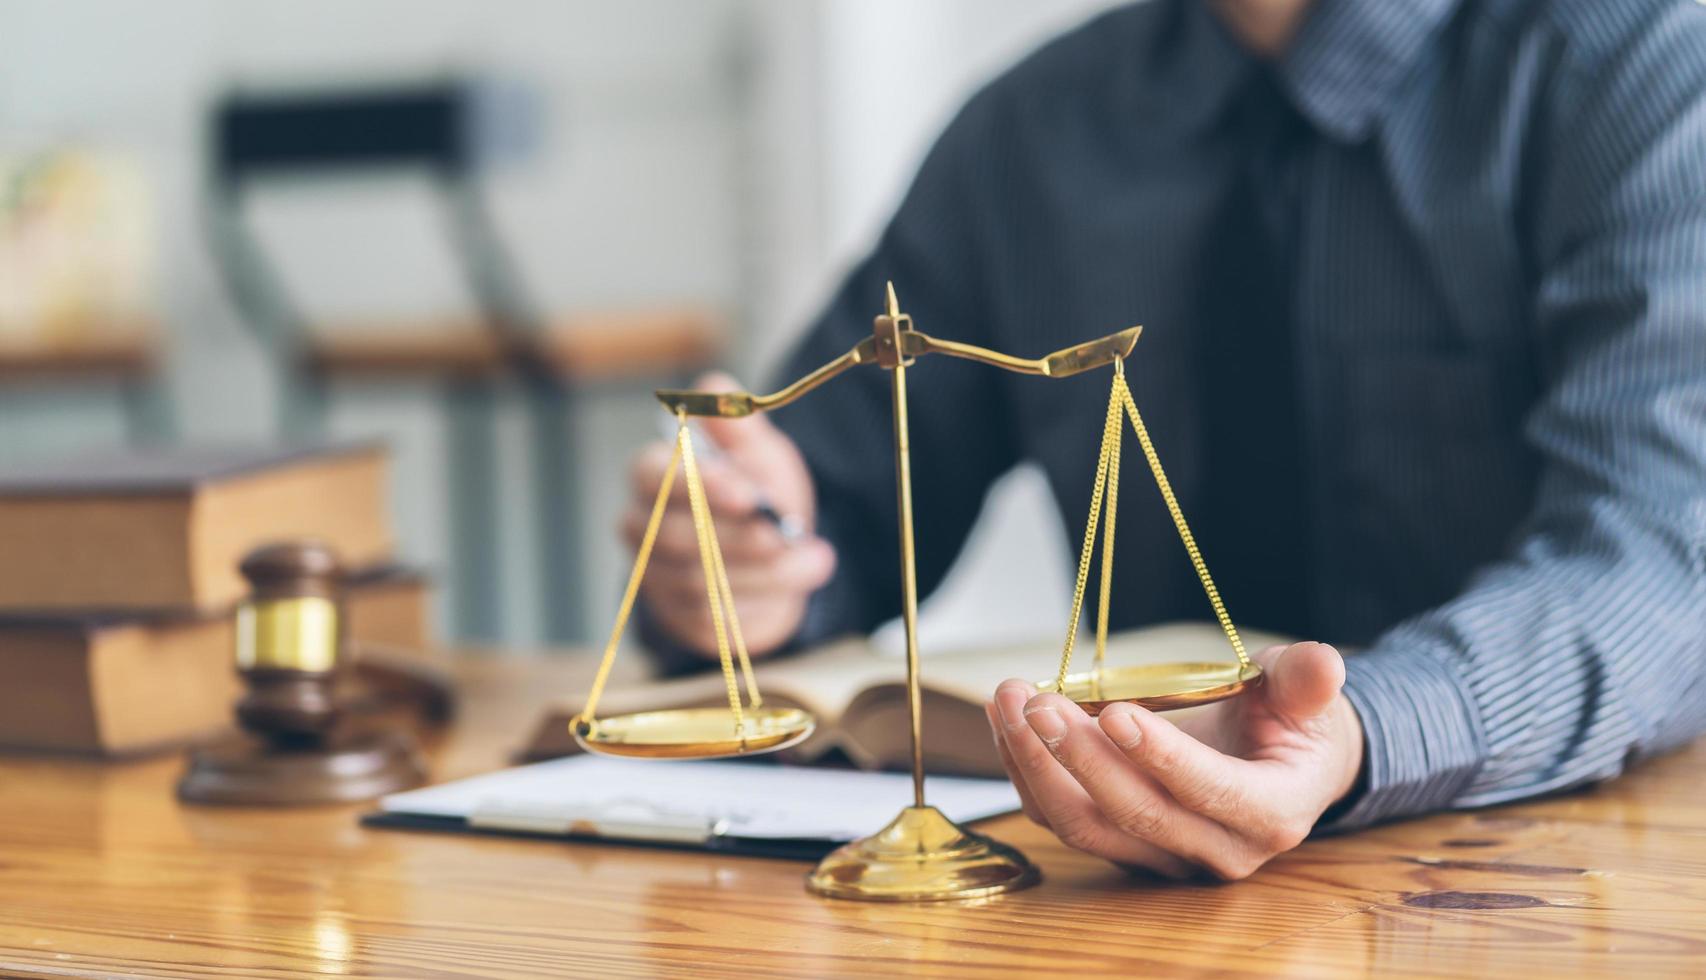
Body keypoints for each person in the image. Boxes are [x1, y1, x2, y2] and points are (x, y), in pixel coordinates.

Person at [622, 0, 1706, 880]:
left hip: (1551, 878)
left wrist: (1360, 729)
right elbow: (831, 502)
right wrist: (744, 565)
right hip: (1117, 890)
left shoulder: (1645, 69)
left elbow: (1660, 555)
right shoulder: (1029, 133)